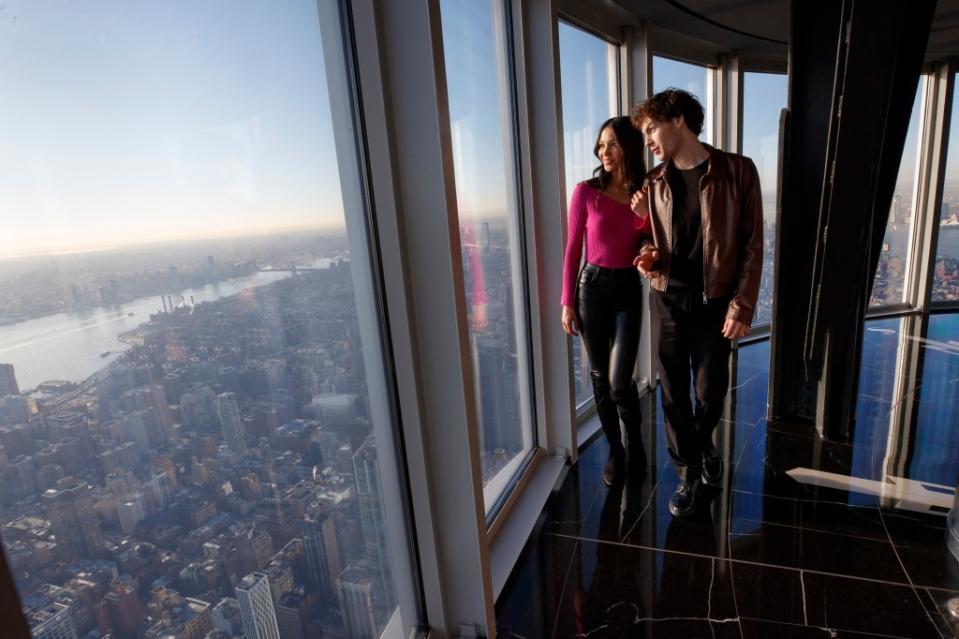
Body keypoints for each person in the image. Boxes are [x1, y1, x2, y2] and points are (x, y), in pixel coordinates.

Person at [629, 89, 763, 518]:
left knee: (710, 389)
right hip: (666, 297)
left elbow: (753, 245)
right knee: (672, 392)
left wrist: (741, 306)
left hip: (715, 301)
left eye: (651, 128)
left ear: (679, 119)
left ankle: (703, 443)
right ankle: (687, 474)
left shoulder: (738, 171)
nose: (647, 139)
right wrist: (648, 253)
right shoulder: (653, 182)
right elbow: (651, 239)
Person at [561, 116, 651, 487]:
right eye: (601, 145)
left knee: (619, 382)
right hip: (592, 290)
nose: (604, 151)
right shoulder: (585, 192)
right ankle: (617, 450)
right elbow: (572, 249)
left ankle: (635, 444)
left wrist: (644, 215)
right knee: (600, 379)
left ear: (628, 146)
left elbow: (651, 243)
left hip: (629, 289)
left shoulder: (643, 192)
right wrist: (567, 301)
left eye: (611, 143)